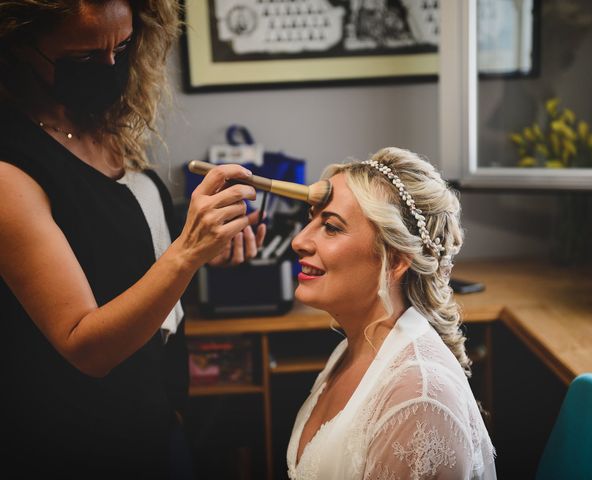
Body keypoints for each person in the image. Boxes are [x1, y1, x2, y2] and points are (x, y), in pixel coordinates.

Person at [0, 0, 265, 478]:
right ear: (18, 43)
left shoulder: (96, 121)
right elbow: (85, 345)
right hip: (77, 444)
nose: (109, 68)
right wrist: (186, 253)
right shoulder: (9, 170)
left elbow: (126, 259)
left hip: (157, 415)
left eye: (121, 49)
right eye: (83, 57)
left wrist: (205, 250)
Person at [287, 147, 496, 479]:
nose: (299, 241)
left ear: (396, 261)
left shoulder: (419, 401)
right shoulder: (353, 348)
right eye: (311, 220)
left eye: (331, 227)